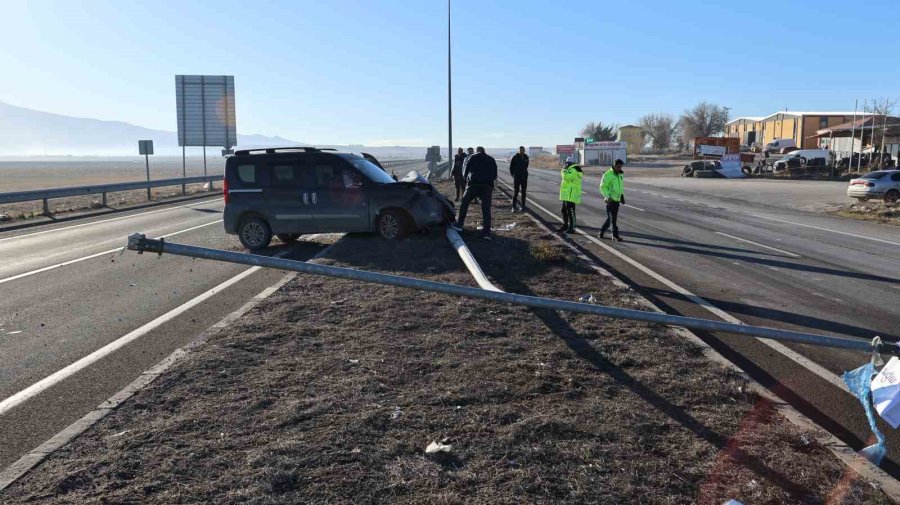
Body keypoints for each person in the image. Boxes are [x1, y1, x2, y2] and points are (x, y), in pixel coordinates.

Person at [452, 146, 497, 240]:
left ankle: (460, 224)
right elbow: (494, 174)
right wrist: (489, 182)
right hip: (487, 186)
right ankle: (487, 233)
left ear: (476, 151)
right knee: (486, 209)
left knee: (464, 203)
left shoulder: (472, 157)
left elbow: (465, 170)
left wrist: (466, 181)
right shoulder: (491, 159)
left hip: (473, 185)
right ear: (484, 151)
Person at [599, 159, 626, 241]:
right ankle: (615, 235)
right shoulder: (607, 174)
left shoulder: (620, 174)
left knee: (611, 218)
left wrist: (622, 196)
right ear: (614, 165)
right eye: (618, 167)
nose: (619, 168)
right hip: (610, 201)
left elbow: (620, 187)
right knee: (613, 219)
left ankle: (601, 232)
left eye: (621, 167)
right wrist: (608, 196)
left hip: (617, 200)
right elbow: (602, 187)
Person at [558, 156, 583, 234]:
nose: (566, 164)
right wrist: (564, 170)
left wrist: (563, 170)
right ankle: (565, 225)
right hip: (567, 194)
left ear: (570, 163)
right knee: (564, 211)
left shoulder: (574, 170)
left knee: (571, 212)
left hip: (571, 194)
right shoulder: (570, 169)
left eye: (567, 163)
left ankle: (572, 228)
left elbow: (566, 177)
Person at [509, 146, 529, 212]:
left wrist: (525, 174)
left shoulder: (526, 157)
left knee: (524, 192)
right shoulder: (515, 157)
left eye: (523, 150)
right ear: (519, 150)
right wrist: (514, 175)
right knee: (516, 192)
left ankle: (523, 206)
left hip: (524, 178)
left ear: (524, 150)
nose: (522, 151)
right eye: (521, 150)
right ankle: (513, 207)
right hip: (517, 178)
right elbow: (511, 167)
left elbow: (526, 166)